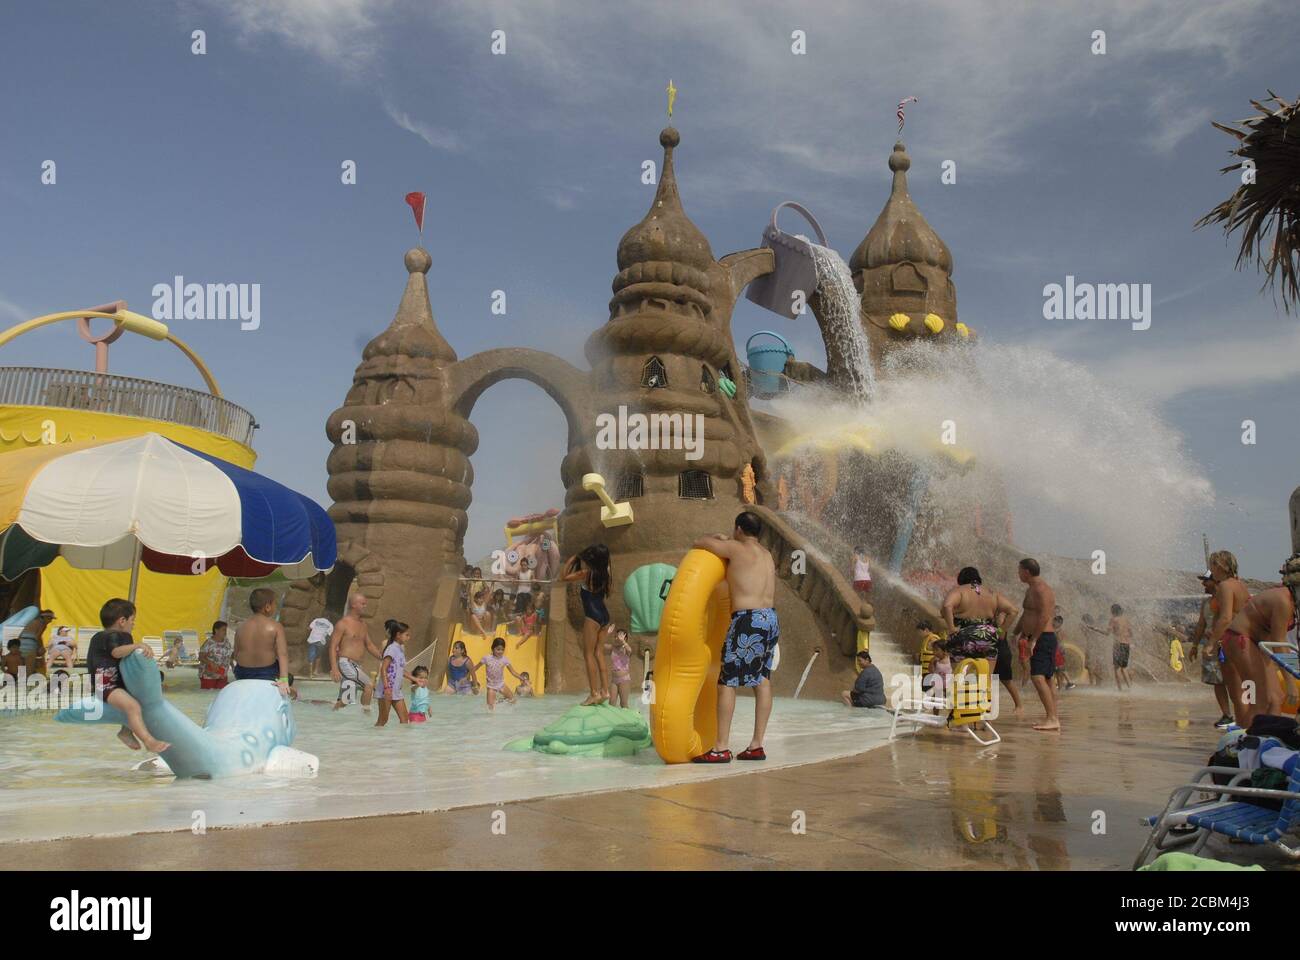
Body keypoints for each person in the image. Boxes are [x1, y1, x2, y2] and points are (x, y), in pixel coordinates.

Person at [690, 511, 778, 763]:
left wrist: (718, 537)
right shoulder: (767, 555)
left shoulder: (735, 548)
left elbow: (699, 542)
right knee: (762, 680)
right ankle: (756, 745)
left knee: (726, 681)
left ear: (738, 529)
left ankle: (721, 747)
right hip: (769, 619)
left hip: (747, 620)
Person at [86, 598, 169, 753]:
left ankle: (126, 731)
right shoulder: (115, 636)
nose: (134, 623)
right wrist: (138, 645)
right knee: (133, 706)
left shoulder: (98, 636)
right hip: (105, 685)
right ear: (122, 621)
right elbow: (116, 652)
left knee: (138, 698)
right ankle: (148, 741)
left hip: (106, 684)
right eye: (133, 620)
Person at [1221, 559, 1297, 726]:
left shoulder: (1292, 600)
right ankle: (1246, 744)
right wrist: (1291, 682)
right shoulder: (1283, 601)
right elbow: (1279, 642)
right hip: (1240, 641)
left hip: (1259, 645)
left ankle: (1269, 739)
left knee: (1276, 698)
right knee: (1259, 702)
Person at [940, 566, 1022, 716]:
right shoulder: (991, 593)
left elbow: (946, 606)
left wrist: (951, 627)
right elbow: (1013, 611)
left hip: (963, 637)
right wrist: (1001, 631)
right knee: (985, 679)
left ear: (961, 579)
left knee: (961, 677)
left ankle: (960, 715)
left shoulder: (959, 590)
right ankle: (984, 717)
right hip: (988, 637)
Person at [1203, 550, 1253, 726]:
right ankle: (1250, 725)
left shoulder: (1225, 586)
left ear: (1220, 566)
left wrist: (1210, 644)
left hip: (1231, 642)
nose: (1211, 569)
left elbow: (1225, 618)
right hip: (1246, 642)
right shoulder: (1240, 585)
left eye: (1212, 565)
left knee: (1236, 692)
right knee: (1247, 690)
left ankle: (1243, 729)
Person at [562, 544, 614, 706]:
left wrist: (573, 559)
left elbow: (565, 577)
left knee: (588, 654)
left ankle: (594, 693)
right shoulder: (606, 573)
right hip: (605, 615)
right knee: (599, 653)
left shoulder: (586, 573)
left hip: (592, 617)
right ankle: (605, 691)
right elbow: (609, 593)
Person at [1015, 558, 1060, 732]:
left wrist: (1033, 640)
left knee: (1038, 677)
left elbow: (1044, 616)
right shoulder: (1031, 589)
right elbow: (1027, 614)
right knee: (1047, 679)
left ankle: (1052, 718)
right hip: (1036, 637)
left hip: (1043, 638)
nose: (1018, 574)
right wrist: (1016, 633)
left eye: (1019, 570)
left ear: (1027, 571)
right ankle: (1052, 717)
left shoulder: (1042, 589)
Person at [1188, 570, 1233, 727]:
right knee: (1217, 681)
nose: (1203, 584)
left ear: (1215, 581)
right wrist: (1194, 645)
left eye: (1206, 580)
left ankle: (1244, 714)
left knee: (1233, 680)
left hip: (1226, 645)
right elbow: (1201, 624)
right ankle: (1227, 715)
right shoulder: (1206, 603)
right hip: (1212, 648)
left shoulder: (1226, 600)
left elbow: (1229, 620)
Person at [331, 593, 382, 711]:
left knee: (345, 700)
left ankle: (331, 716)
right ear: (354, 605)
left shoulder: (363, 625)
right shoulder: (343, 623)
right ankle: (366, 717)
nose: (365, 606)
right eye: (362, 603)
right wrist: (334, 668)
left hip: (356, 665)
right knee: (369, 686)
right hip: (346, 663)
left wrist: (383, 657)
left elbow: (369, 645)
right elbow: (333, 646)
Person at [232, 588, 290, 695]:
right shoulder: (276, 626)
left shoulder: (240, 627)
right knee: (284, 670)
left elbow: (235, 654)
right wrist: (284, 680)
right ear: (267, 607)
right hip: (267, 672)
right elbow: (283, 654)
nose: (275, 607)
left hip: (242, 673)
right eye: (274, 604)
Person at [376, 619, 415, 727]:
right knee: (383, 721)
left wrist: (415, 679)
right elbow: (383, 668)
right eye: (407, 635)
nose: (409, 637)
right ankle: (373, 741)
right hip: (387, 690)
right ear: (398, 635)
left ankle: (400, 743)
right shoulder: (391, 649)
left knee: (404, 720)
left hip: (396, 691)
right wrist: (386, 688)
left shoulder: (400, 649)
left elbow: (400, 669)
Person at [473, 637, 525, 710]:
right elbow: (476, 667)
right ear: (493, 648)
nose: (500, 651)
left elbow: (513, 672)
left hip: (501, 685)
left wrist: (521, 678)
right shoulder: (487, 658)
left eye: (502, 649)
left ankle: (499, 701)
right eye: (498, 649)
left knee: (513, 701)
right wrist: (468, 674)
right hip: (491, 687)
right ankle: (497, 701)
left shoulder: (504, 660)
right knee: (490, 709)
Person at [17, 609, 53, 679]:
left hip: (20, 642)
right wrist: (41, 647)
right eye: (50, 618)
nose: (51, 621)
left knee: (22, 664)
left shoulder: (32, 622)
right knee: (29, 665)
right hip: (30, 643)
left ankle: (20, 681)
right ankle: (27, 682)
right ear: (45, 617)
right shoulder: (42, 624)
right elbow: (38, 636)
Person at [198, 621, 232, 690]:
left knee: (222, 696)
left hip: (222, 674)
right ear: (216, 630)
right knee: (208, 696)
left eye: (226, 630)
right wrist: (210, 663)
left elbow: (228, 657)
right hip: (209, 675)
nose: (225, 632)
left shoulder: (227, 642)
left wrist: (233, 666)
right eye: (223, 630)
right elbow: (201, 657)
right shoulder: (209, 643)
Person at [1108, 604, 1134, 691]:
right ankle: (1130, 688)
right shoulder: (1126, 620)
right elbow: (1131, 633)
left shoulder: (1113, 620)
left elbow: (1107, 632)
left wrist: (1095, 629)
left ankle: (1120, 690)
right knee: (1124, 668)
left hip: (1118, 645)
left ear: (1113, 611)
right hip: (1126, 645)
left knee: (1116, 668)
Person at [605, 628, 633, 707]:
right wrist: (606, 633)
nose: (618, 638)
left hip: (624, 680)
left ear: (625, 638)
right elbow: (600, 644)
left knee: (623, 704)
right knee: (611, 704)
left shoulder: (626, 649)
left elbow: (630, 650)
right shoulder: (612, 647)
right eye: (616, 636)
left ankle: (628, 719)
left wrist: (623, 642)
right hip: (614, 680)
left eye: (621, 636)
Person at [1051, 615, 1075, 691]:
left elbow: (1060, 642)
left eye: (1055, 621)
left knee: (1060, 669)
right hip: (1055, 650)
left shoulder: (1059, 631)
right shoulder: (1055, 630)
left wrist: (1062, 651)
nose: (1053, 622)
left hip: (1057, 651)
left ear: (1059, 623)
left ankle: (1068, 683)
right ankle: (1060, 686)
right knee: (1057, 670)